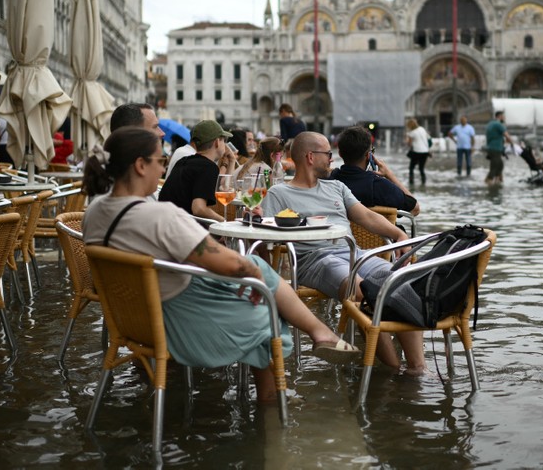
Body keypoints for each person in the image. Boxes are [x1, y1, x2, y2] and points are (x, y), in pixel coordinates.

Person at [81, 127, 360, 403]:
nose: (163, 169)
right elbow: (230, 264)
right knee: (264, 306)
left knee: (253, 270)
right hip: (176, 322)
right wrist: (254, 278)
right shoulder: (159, 216)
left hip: (131, 318)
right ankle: (273, 395)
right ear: (141, 165)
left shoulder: (94, 212)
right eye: (160, 161)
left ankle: (316, 335)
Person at [262, 131, 426, 375]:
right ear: (310, 156)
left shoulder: (337, 187)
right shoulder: (279, 194)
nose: (332, 159)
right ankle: (393, 371)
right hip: (315, 260)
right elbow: (265, 236)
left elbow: (366, 216)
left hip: (354, 254)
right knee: (362, 291)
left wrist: (399, 235)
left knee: (400, 282)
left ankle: (417, 370)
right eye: (328, 154)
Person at [330, 125, 419, 216]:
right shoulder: (380, 186)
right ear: (369, 156)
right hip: (379, 230)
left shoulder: (329, 180)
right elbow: (415, 209)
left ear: (340, 153)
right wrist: (389, 175)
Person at [159, 119, 236, 222]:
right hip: (180, 228)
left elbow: (224, 188)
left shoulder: (184, 161)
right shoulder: (208, 167)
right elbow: (199, 209)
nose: (225, 144)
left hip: (164, 222)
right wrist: (223, 222)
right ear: (217, 142)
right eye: (223, 140)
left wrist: (231, 161)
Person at [484, 111, 511, 186]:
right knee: (495, 166)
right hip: (495, 148)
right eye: (503, 116)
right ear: (500, 116)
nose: (505, 118)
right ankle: (489, 184)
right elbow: (506, 135)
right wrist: (512, 143)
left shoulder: (490, 124)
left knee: (500, 165)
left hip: (492, 148)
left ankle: (498, 181)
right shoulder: (498, 124)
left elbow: (495, 136)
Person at [405, 118, 431, 186]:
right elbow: (428, 138)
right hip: (425, 152)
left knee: (411, 168)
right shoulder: (422, 129)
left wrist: (407, 139)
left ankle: (411, 182)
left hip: (417, 152)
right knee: (421, 168)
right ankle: (423, 182)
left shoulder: (411, 133)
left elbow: (409, 144)